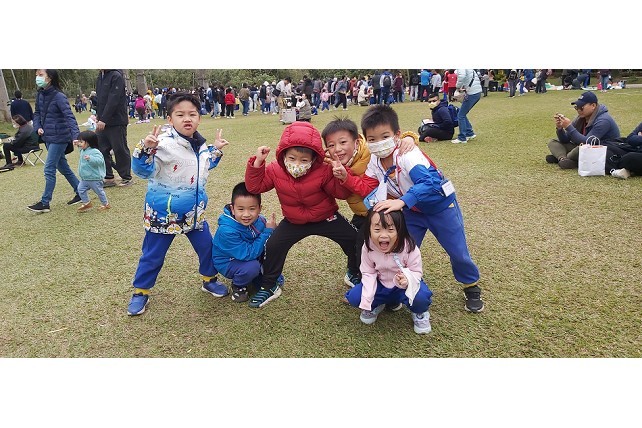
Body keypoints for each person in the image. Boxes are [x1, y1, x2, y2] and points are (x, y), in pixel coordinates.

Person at [332, 105, 484, 313]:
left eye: (384, 136)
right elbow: (368, 187)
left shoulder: (407, 154)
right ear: (366, 140)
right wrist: (346, 177)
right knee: (399, 250)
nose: (378, 143)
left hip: (441, 207)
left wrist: (403, 201)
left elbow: (430, 183)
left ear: (397, 134)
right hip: (413, 212)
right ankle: (396, 290)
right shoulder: (374, 160)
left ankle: (471, 286)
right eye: (372, 139)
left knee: (457, 251)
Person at [126, 92, 231, 316]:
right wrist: (145, 149)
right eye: (180, 114)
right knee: (153, 255)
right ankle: (140, 292)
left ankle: (209, 280)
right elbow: (143, 171)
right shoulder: (162, 145)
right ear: (170, 118)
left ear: (199, 118)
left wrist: (216, 149)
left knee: (207, 248)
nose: (187, 119)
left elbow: (203, 165)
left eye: (192, 114)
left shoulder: (200, 145)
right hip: (163, 215)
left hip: (194, 214)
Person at [244, 121, 358, 308]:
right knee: (273, 246)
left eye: (304, 160)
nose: (297, 164)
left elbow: (341, 194)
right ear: (283, 155)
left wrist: (341, 175)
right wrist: (258, 163)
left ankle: (354, 272)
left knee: (355, 239)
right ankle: (269, 285)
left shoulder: (324, 169)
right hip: (294, 220)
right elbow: (254, 187)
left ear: (314, 159)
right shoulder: (275, 169)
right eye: (292, 158)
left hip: (326, 216)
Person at [321, 116, 417, 281]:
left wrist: (410, 137)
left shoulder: (372, 151)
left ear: (357, 141)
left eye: (343, 142)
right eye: (331, 145)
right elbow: (341, 194)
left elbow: (389, 140)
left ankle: (375, 278)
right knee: (354, 239)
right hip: (362, 211)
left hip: (384, 209)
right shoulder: (329, 162)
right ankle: (356, 271)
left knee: (369, 241)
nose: (337, 149)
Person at [344, 209, 433, 334]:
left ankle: (419, 313)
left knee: (421, 298)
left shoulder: (409, 246)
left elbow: (416, 271)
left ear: (400, 230)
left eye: (390, 229)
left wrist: (407, 280)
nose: (383, 235)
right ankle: (377, 303)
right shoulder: (368, 246)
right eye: (377, 229)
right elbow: (367, 271)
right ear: (369, 230)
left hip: (403, 287)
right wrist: (368, 296)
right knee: (355, 297)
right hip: (380, 284)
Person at [211, 182, 278, 302]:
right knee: (252, 267)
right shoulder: (226, 231)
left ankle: (261, 275)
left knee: (274, 245)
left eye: (252, 209)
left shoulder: (261, 220)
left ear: (259, 208)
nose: (246, 214)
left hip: (249, 254)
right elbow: (248, 254)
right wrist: (267, 232)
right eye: (241, 209)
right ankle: (238, 286)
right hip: (228, 261)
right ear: (232, 209)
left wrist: (272, 231)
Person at [27, 69, 82, 213]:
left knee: (49, 168)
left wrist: (76, 136)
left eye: (41, 75)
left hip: (60, 137)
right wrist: (38, 127)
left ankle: (45, 202)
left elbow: (69, 117)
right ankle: (80, 191)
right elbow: (37, 113)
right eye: (36, 75)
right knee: (63, 167)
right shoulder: (40, 94)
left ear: (49, 78)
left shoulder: (59, 96)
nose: (37, 78)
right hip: (47, 137)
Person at [546, 91, 620, 169]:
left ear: (593, 105)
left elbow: (587, 142)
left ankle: (566, 158)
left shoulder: (603, 120)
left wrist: (569, 126)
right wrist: (560, 128)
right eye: (576, 107)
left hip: (603, 151)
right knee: (553, 142)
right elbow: (565, 139)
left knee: (580, 149)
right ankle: (563, 159)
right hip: (585, 147)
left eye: (581, 107)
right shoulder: (581, 118)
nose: (578, 110)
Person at [95, 69, 133, 188]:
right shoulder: (100, 77)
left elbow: (113, 99)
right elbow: (100, 100)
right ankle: (108, 177)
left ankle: (126, 177)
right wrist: (98, 116)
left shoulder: (116, 76)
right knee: (101, 148)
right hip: (102, 121)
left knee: (119, 148)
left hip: (116, 120)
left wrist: (104, 119)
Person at [74, 130, 110, 212]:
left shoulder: (95, 151)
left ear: (89, 142)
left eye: (81, 142)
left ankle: (105, 204)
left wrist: (90, 158)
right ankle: (87, 203)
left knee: (99, 191)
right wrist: (77, 144)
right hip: (85, 178)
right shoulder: (83, 150)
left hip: (94, 177)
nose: (80, 144)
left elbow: (100, 161)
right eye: (79, 141)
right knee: (80, 189)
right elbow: (80, 148)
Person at [452, 69, 482, 144]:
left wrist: (458, 87)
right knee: (462, 113)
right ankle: (469, 133)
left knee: (460, 115)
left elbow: (462, 76)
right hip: (476, 91)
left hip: (472, 93)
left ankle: (462, 138)